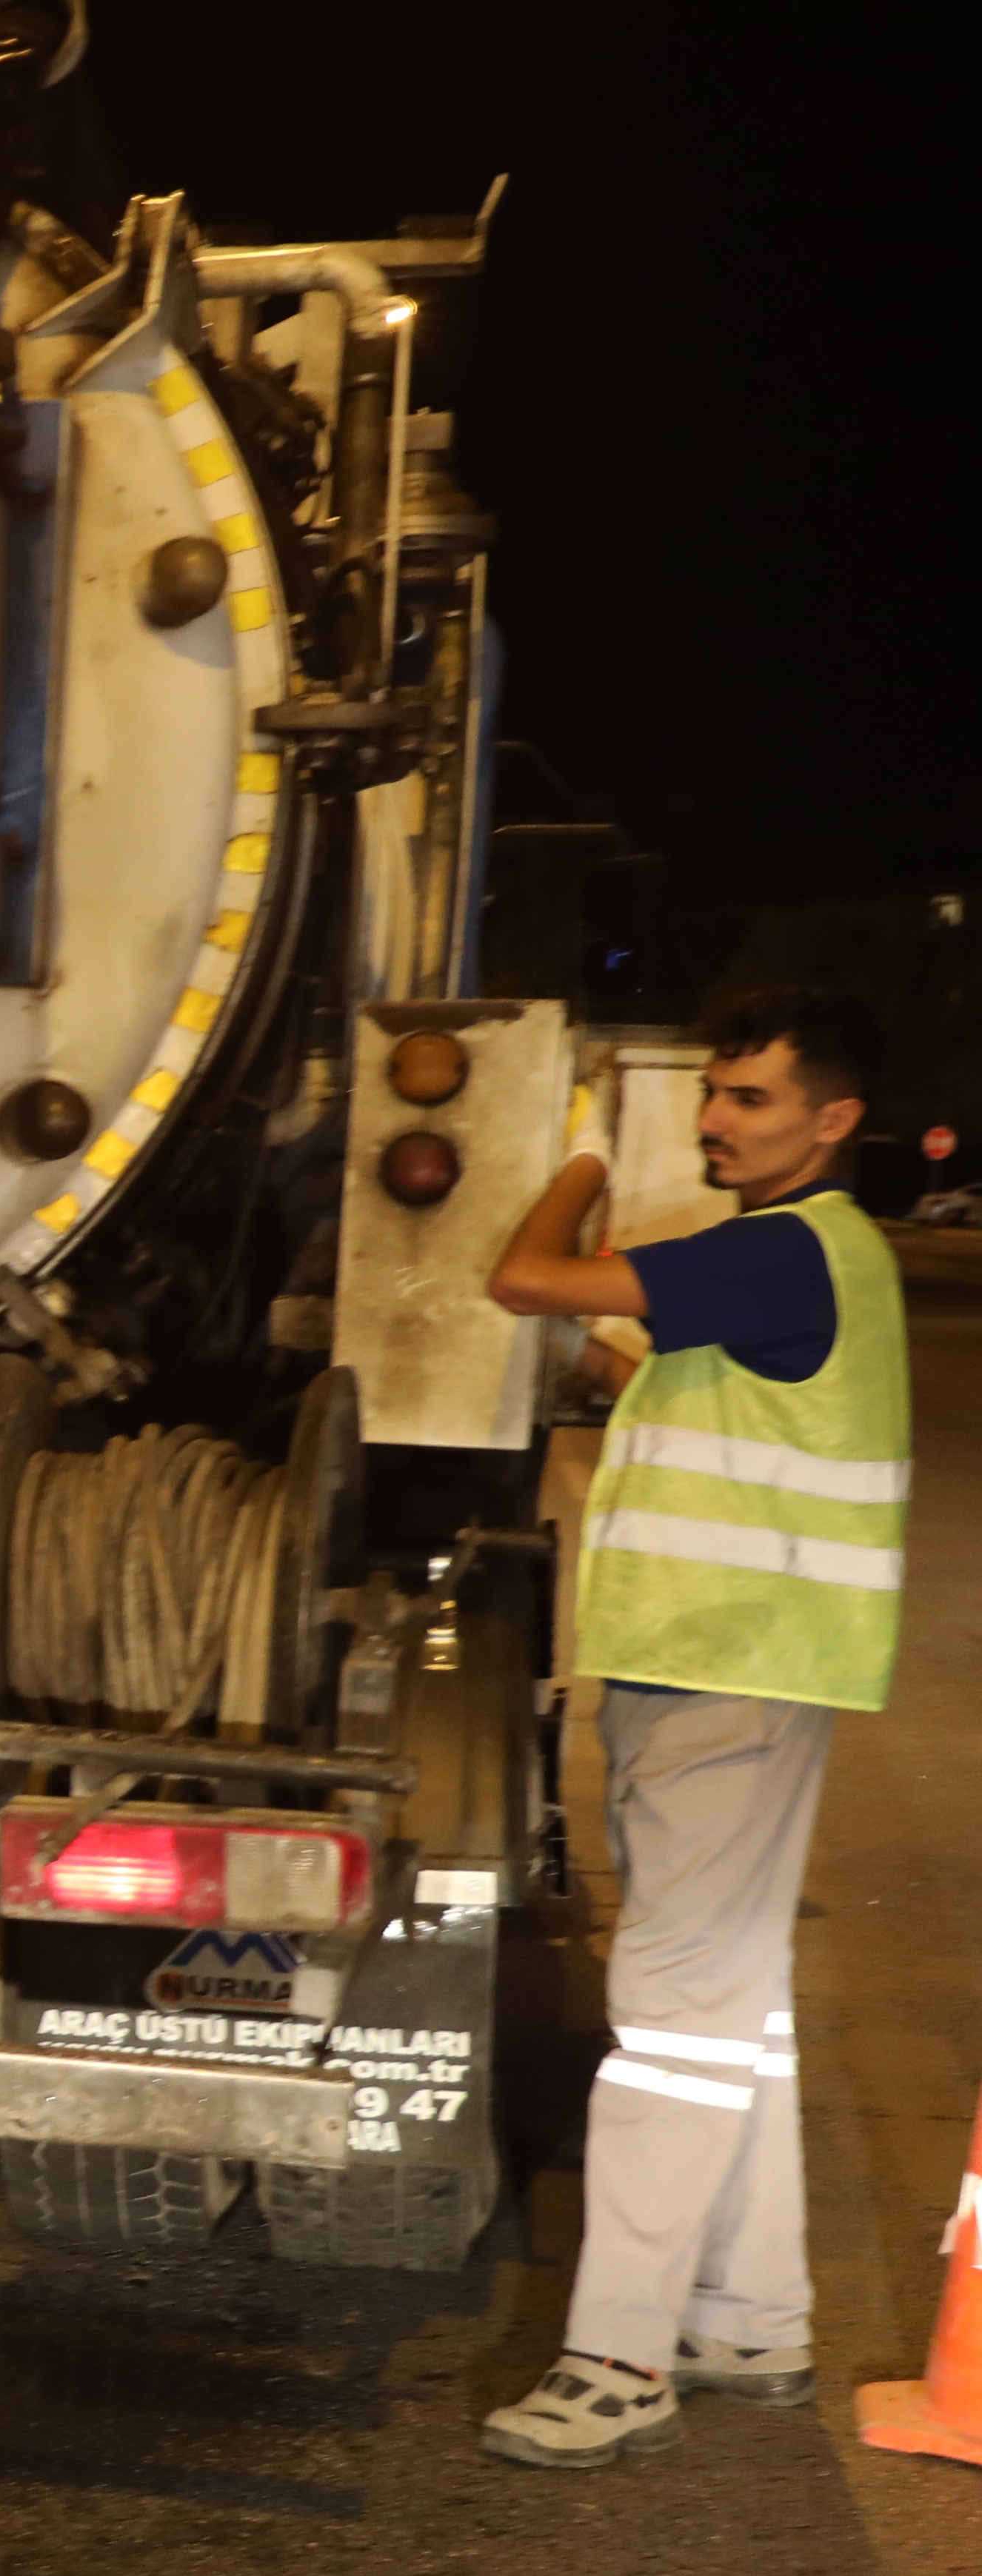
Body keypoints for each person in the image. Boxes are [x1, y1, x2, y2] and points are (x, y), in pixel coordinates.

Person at [473, 988, 905, 2471]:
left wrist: (580, 1153)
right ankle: (750, 2317)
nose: (719, 1123)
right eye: (712, 1096)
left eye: (752, 1103)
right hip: (720, 1672)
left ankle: (618, 2359)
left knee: (665, 2019)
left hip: (739, 1672)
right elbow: (643, 1378)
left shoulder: (786, 1249)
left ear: (834, 1120)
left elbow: (525, 1277)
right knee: (733, 2008)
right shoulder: (778, 1275)